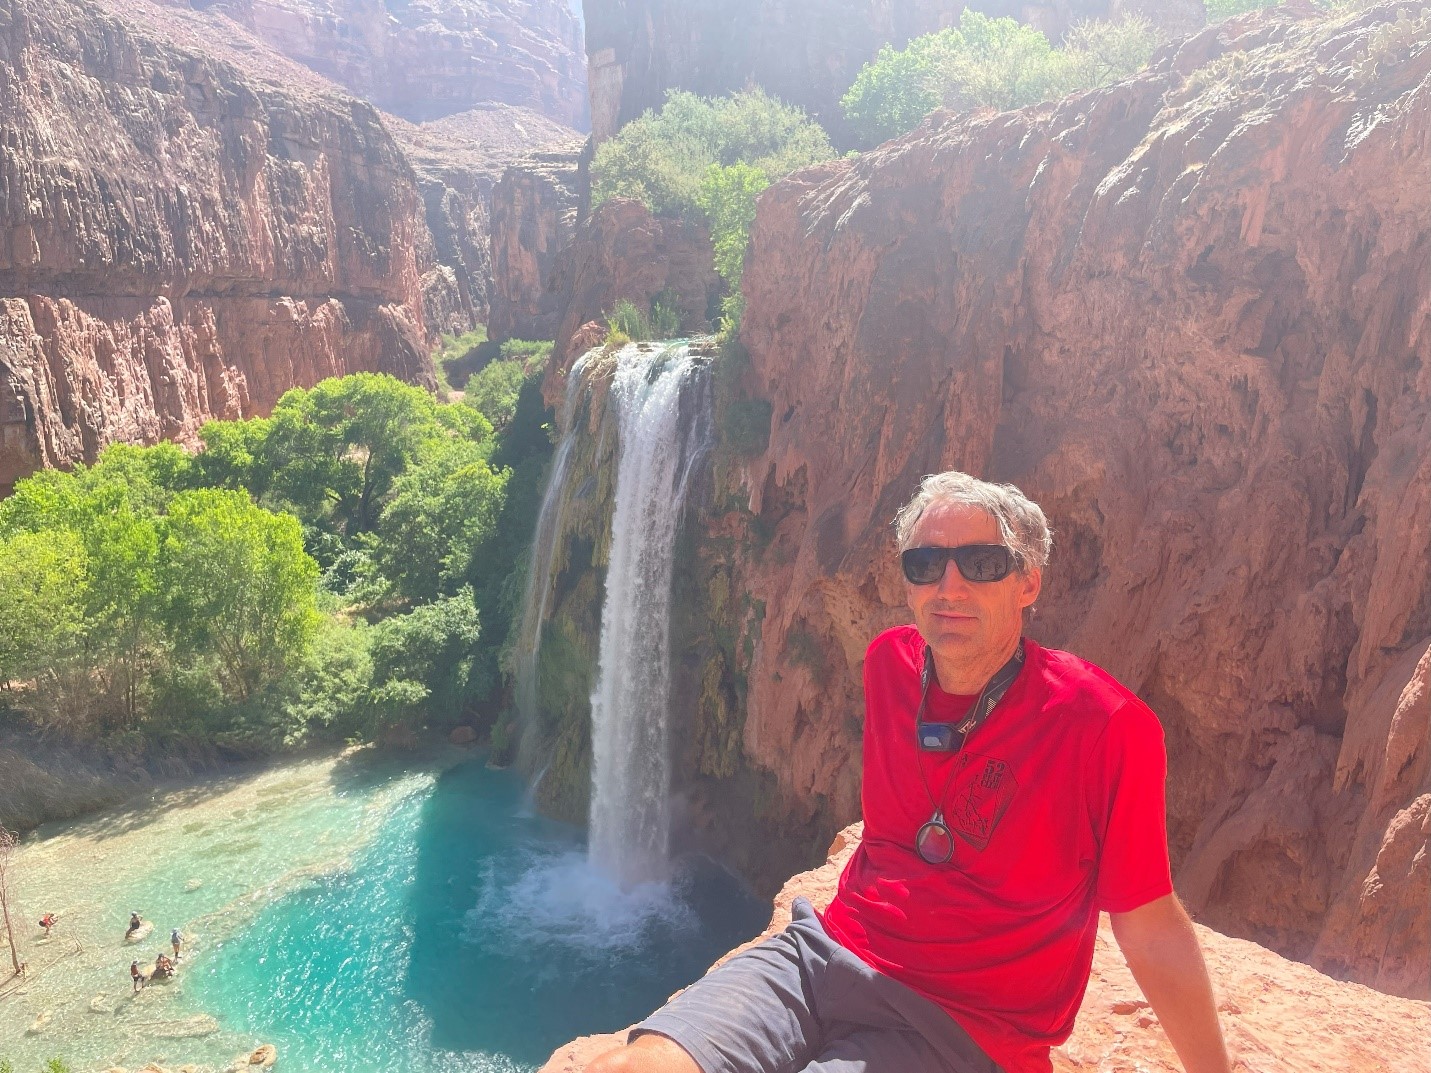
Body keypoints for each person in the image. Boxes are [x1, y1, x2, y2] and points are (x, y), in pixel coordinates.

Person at [587, 472, 1232, 1073]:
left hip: (956, 1024)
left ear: (1028, 583)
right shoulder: (886, 666)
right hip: (817, 959)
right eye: (926, 565)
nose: (949, 587)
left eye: (980, 564)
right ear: (908, 584)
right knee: (637, 1064)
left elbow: (1148, 921)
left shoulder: (1105, 724)